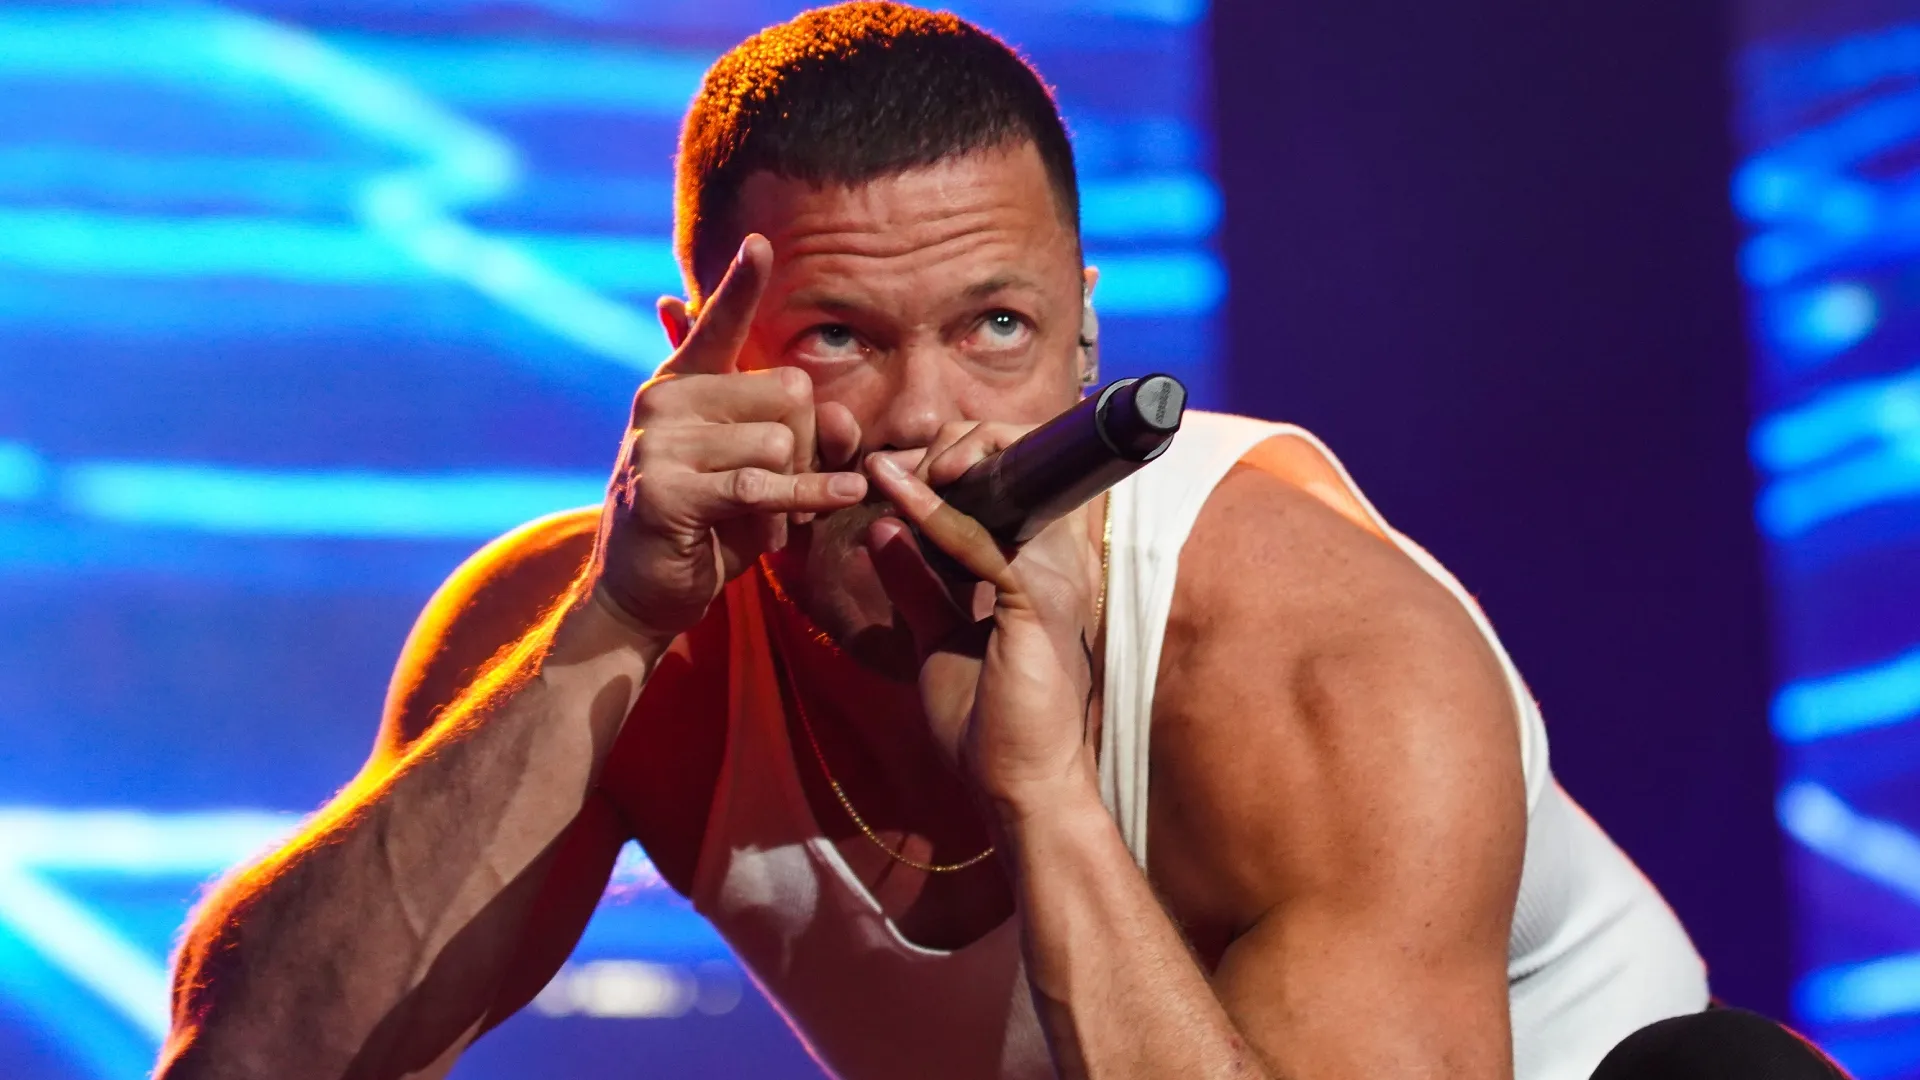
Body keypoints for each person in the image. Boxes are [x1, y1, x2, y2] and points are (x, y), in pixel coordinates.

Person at [155, 5, 1845, 1080]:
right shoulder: (586, 621)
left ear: (1091, 342)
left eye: (995, 329)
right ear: (696, 351)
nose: (923, 420)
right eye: (835, 339)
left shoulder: (1314, 650)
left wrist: (1045, 797)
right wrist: (610, 638)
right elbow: (246, 1065)